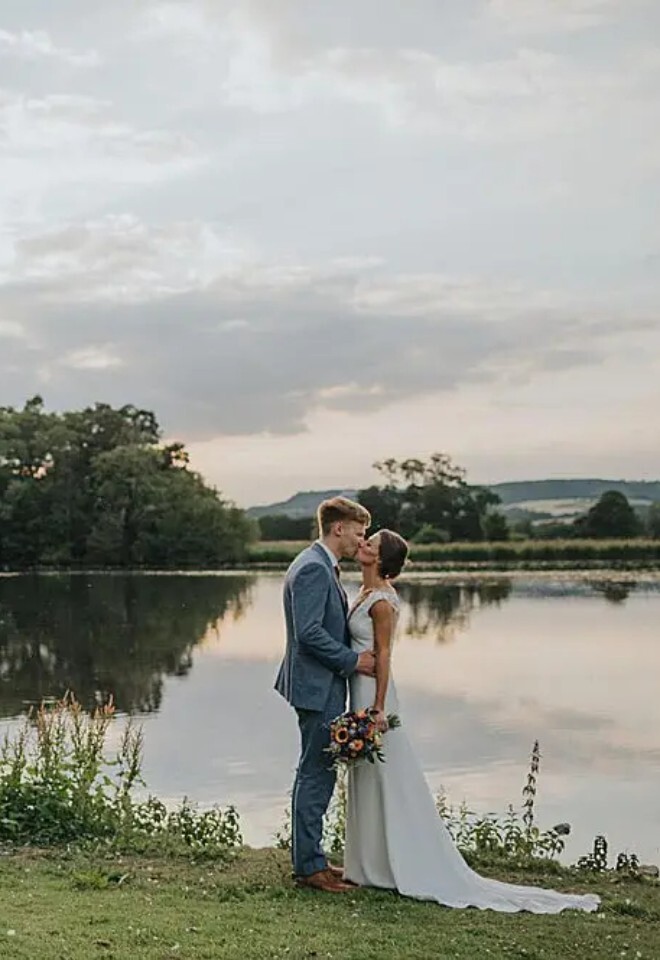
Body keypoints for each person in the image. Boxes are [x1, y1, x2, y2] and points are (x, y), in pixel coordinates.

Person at [343, 529, 600, 914]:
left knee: (385, 773)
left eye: (371, 545)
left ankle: (400, 862)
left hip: (373, 695)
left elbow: (384, 654)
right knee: (365, 773)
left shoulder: (382, 602)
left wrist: (379, 708)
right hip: (357, 690)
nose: (362, 545)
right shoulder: (361, 593)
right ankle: (368, 864)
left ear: (380, 560)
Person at [274, 496, 375, 893]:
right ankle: (309, 869)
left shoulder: (318, 564)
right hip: (317, 687)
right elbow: (310, 633)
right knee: (316, 772)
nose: (360, 540)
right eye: (358, 532)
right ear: (339, 528)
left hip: (318, 684)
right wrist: (354, 662)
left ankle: (311, 859)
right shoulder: (314, 569)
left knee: (316, 770)